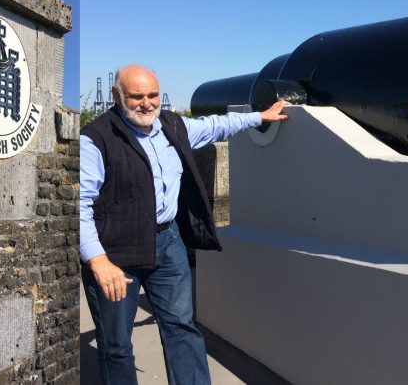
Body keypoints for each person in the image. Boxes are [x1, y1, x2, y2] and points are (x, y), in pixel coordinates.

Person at [80, 64, 290, 385]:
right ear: (117, 96)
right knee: (117, 345)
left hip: (167, 242)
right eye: (137, 97)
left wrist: (259, 116)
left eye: (153, 95)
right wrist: (98, 261)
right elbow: (79, 205)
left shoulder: (172, 125)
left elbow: (216, 126)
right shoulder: (96, 139)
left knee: (182, 327)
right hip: (116, 254)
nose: (147, 103)